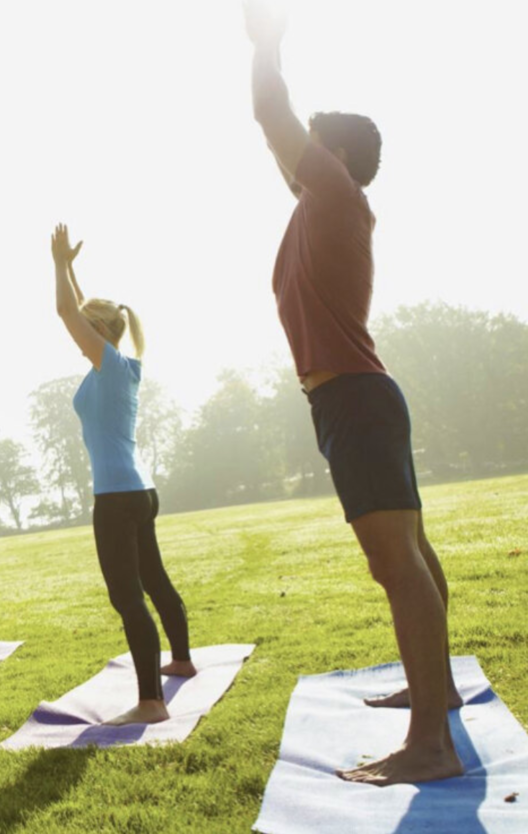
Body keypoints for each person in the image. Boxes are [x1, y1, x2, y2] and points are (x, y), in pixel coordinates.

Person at [245, 1, 462, 785]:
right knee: (413, 555)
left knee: (395, 565)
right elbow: (278, 138)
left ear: (331, 153)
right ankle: (435, 697)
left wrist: (266, 43)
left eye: (310, 141)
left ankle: (429, 742)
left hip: (357, 402)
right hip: (360, 399)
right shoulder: (322, 203)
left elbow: (272, 114)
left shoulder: (333, 192)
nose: (292, 154)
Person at [50, 224, 195, 726]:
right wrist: (70, 267)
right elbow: (86, 309)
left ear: (100, 334)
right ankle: (181, 659)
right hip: (139, 489)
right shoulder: (119, 365)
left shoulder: (110, 365)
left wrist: (55, 264)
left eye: (89, 330)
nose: (76, 335)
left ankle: (151, 702)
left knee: (127, 596)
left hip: (116, 495)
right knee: (153, 578)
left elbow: (70, 312)